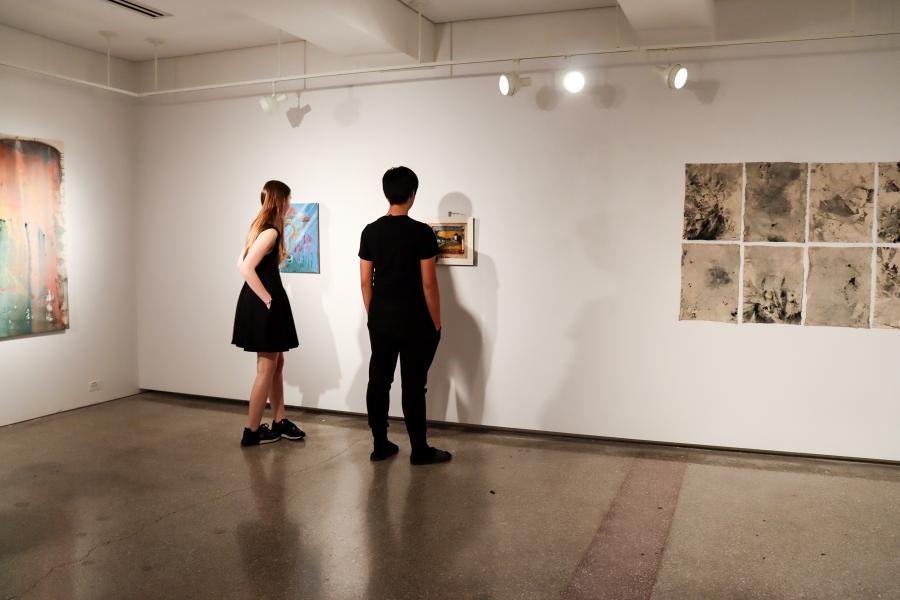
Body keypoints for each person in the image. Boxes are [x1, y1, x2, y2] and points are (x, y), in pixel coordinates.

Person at [359, 166, 452, 465]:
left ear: (387, 193)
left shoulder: (370, 231)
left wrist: (373, 314)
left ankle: (380, 445)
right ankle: (420, 450)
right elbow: (429, 283)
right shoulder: (421, 233)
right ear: (412, 195)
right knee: (413, 385)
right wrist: (436, 321)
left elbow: (365, 281)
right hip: (414, 321)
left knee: (379, 381)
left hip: (381, 319)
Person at [232, 180, 306, 447]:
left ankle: (279, 420)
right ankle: (251, 431)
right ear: (279, 200)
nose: (289, 204)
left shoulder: (259, 227)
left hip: (264, 302)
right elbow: (245, 267)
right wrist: (268, 300)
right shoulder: (270, 232)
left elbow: (240, 262)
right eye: (288, 199)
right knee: (266, 368)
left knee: (276, 364)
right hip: (265, 303)